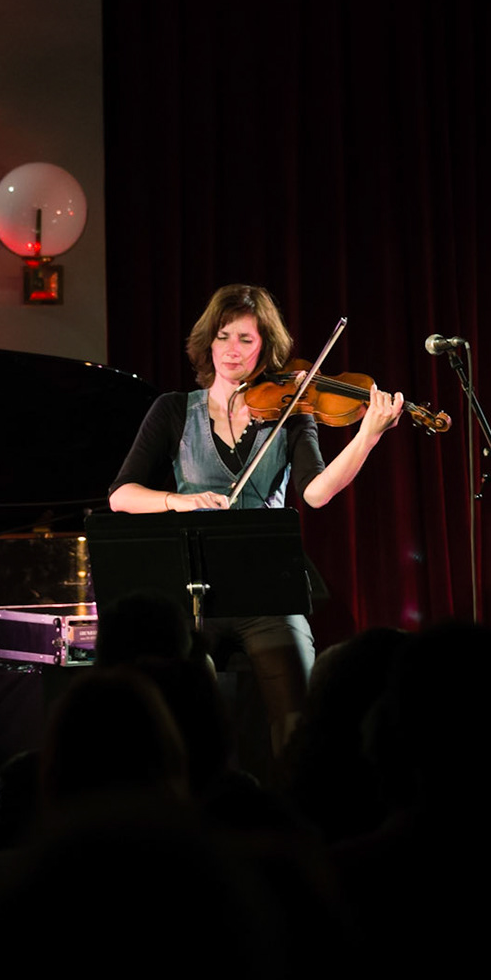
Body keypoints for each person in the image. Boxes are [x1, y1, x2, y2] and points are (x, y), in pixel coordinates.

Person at [108, 284, 403, 753]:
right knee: (178, 718)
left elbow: (317, 493)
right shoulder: (172, 410)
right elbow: (122, 496)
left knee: (298, 720)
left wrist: (366, 436)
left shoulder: (291, 411)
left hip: (267, 589)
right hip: (194, 590)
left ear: (266, 346)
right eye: (224, 336)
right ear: (208, 341)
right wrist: (178, 501)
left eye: (247, 338)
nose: (232, 350)